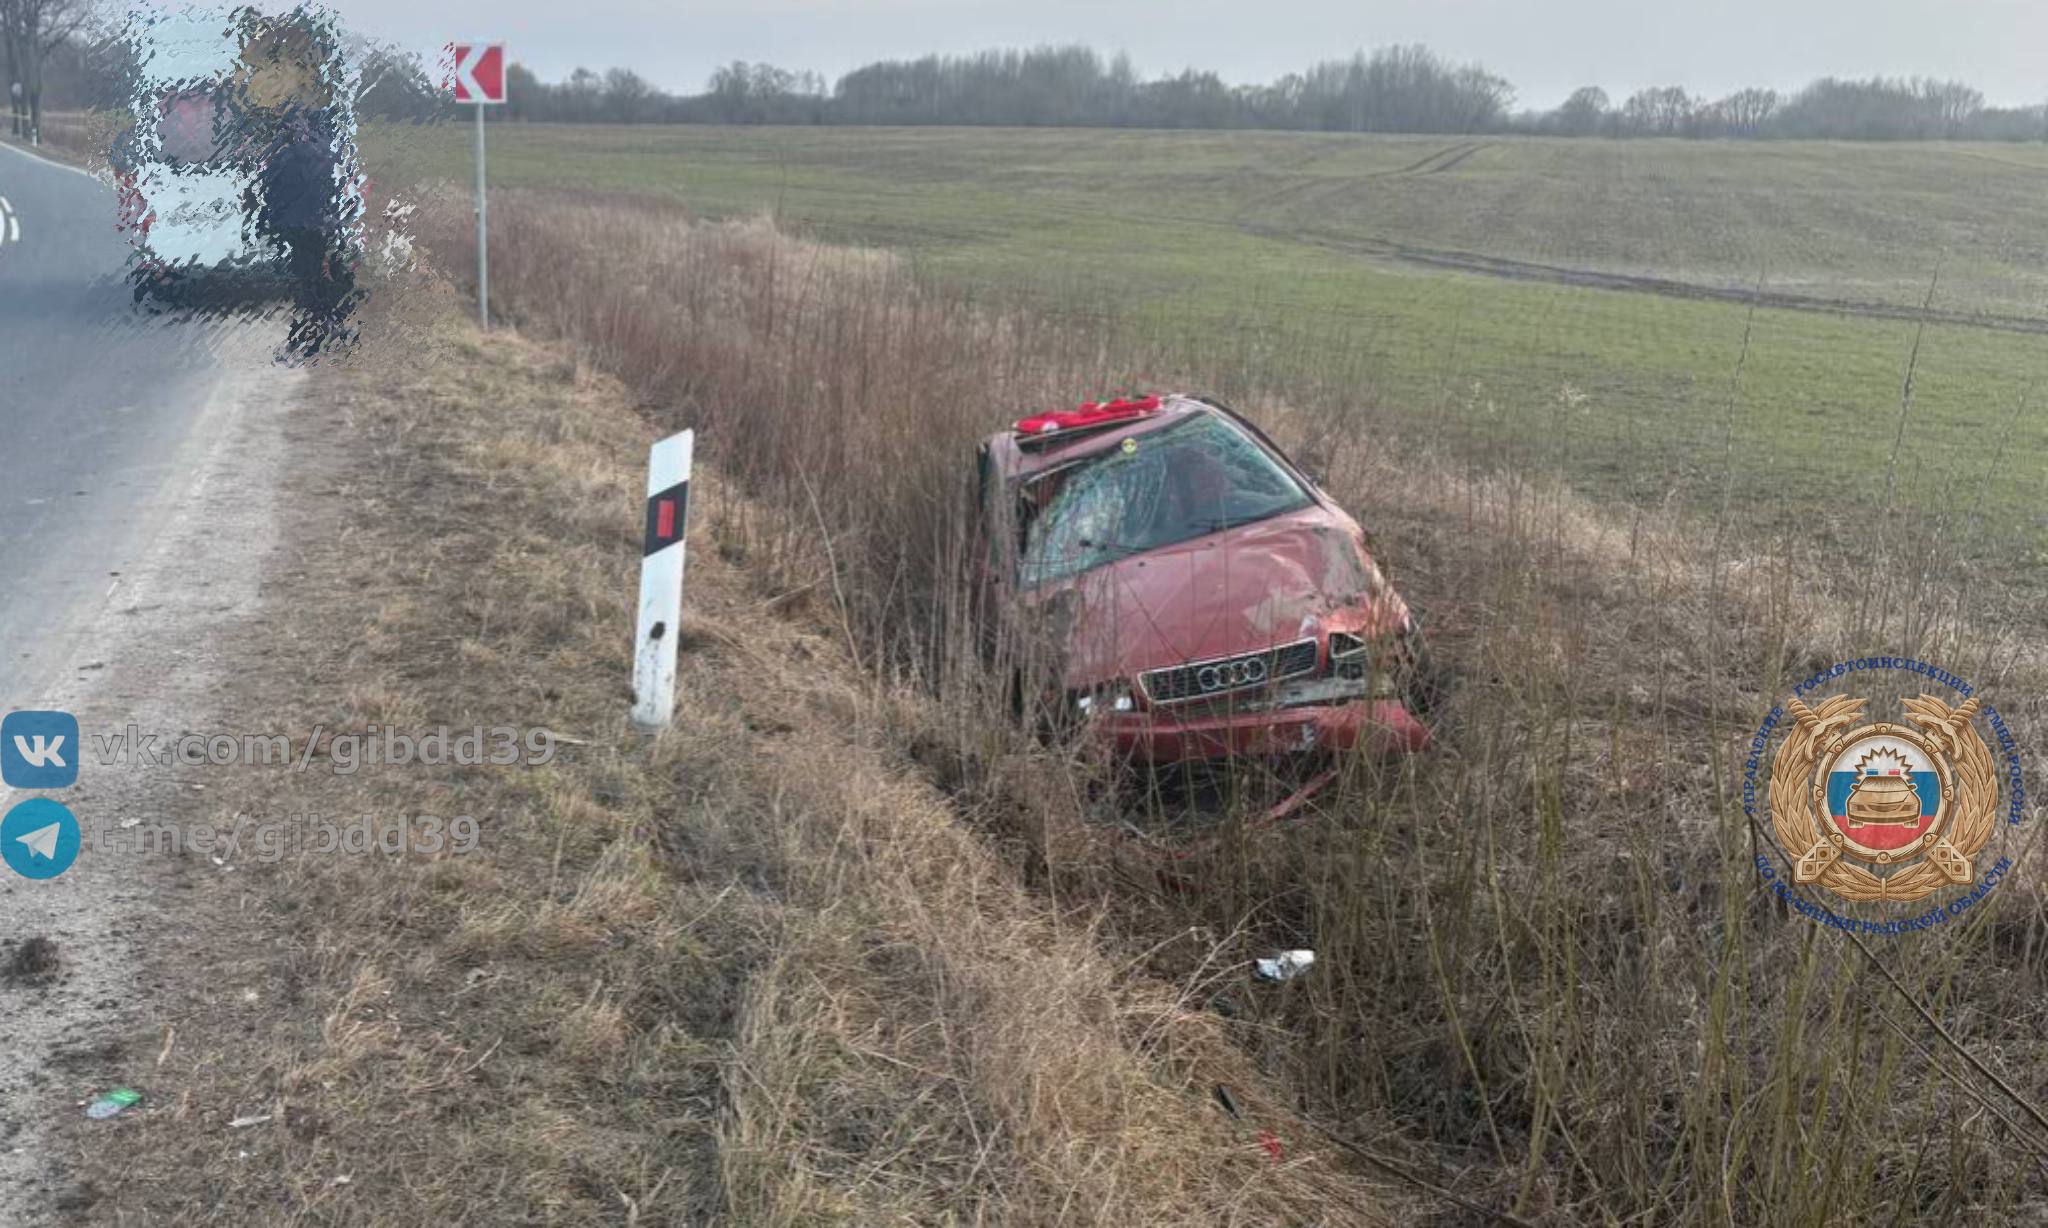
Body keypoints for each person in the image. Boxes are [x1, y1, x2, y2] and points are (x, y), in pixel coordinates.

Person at [227, 14, 357, 359]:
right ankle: (328, 333)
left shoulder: (302, 128)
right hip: (307, 217)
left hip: (307, 218)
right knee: (313, 282)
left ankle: (317, 340)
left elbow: (304, 173)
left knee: (311, 283)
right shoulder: (307, 124)